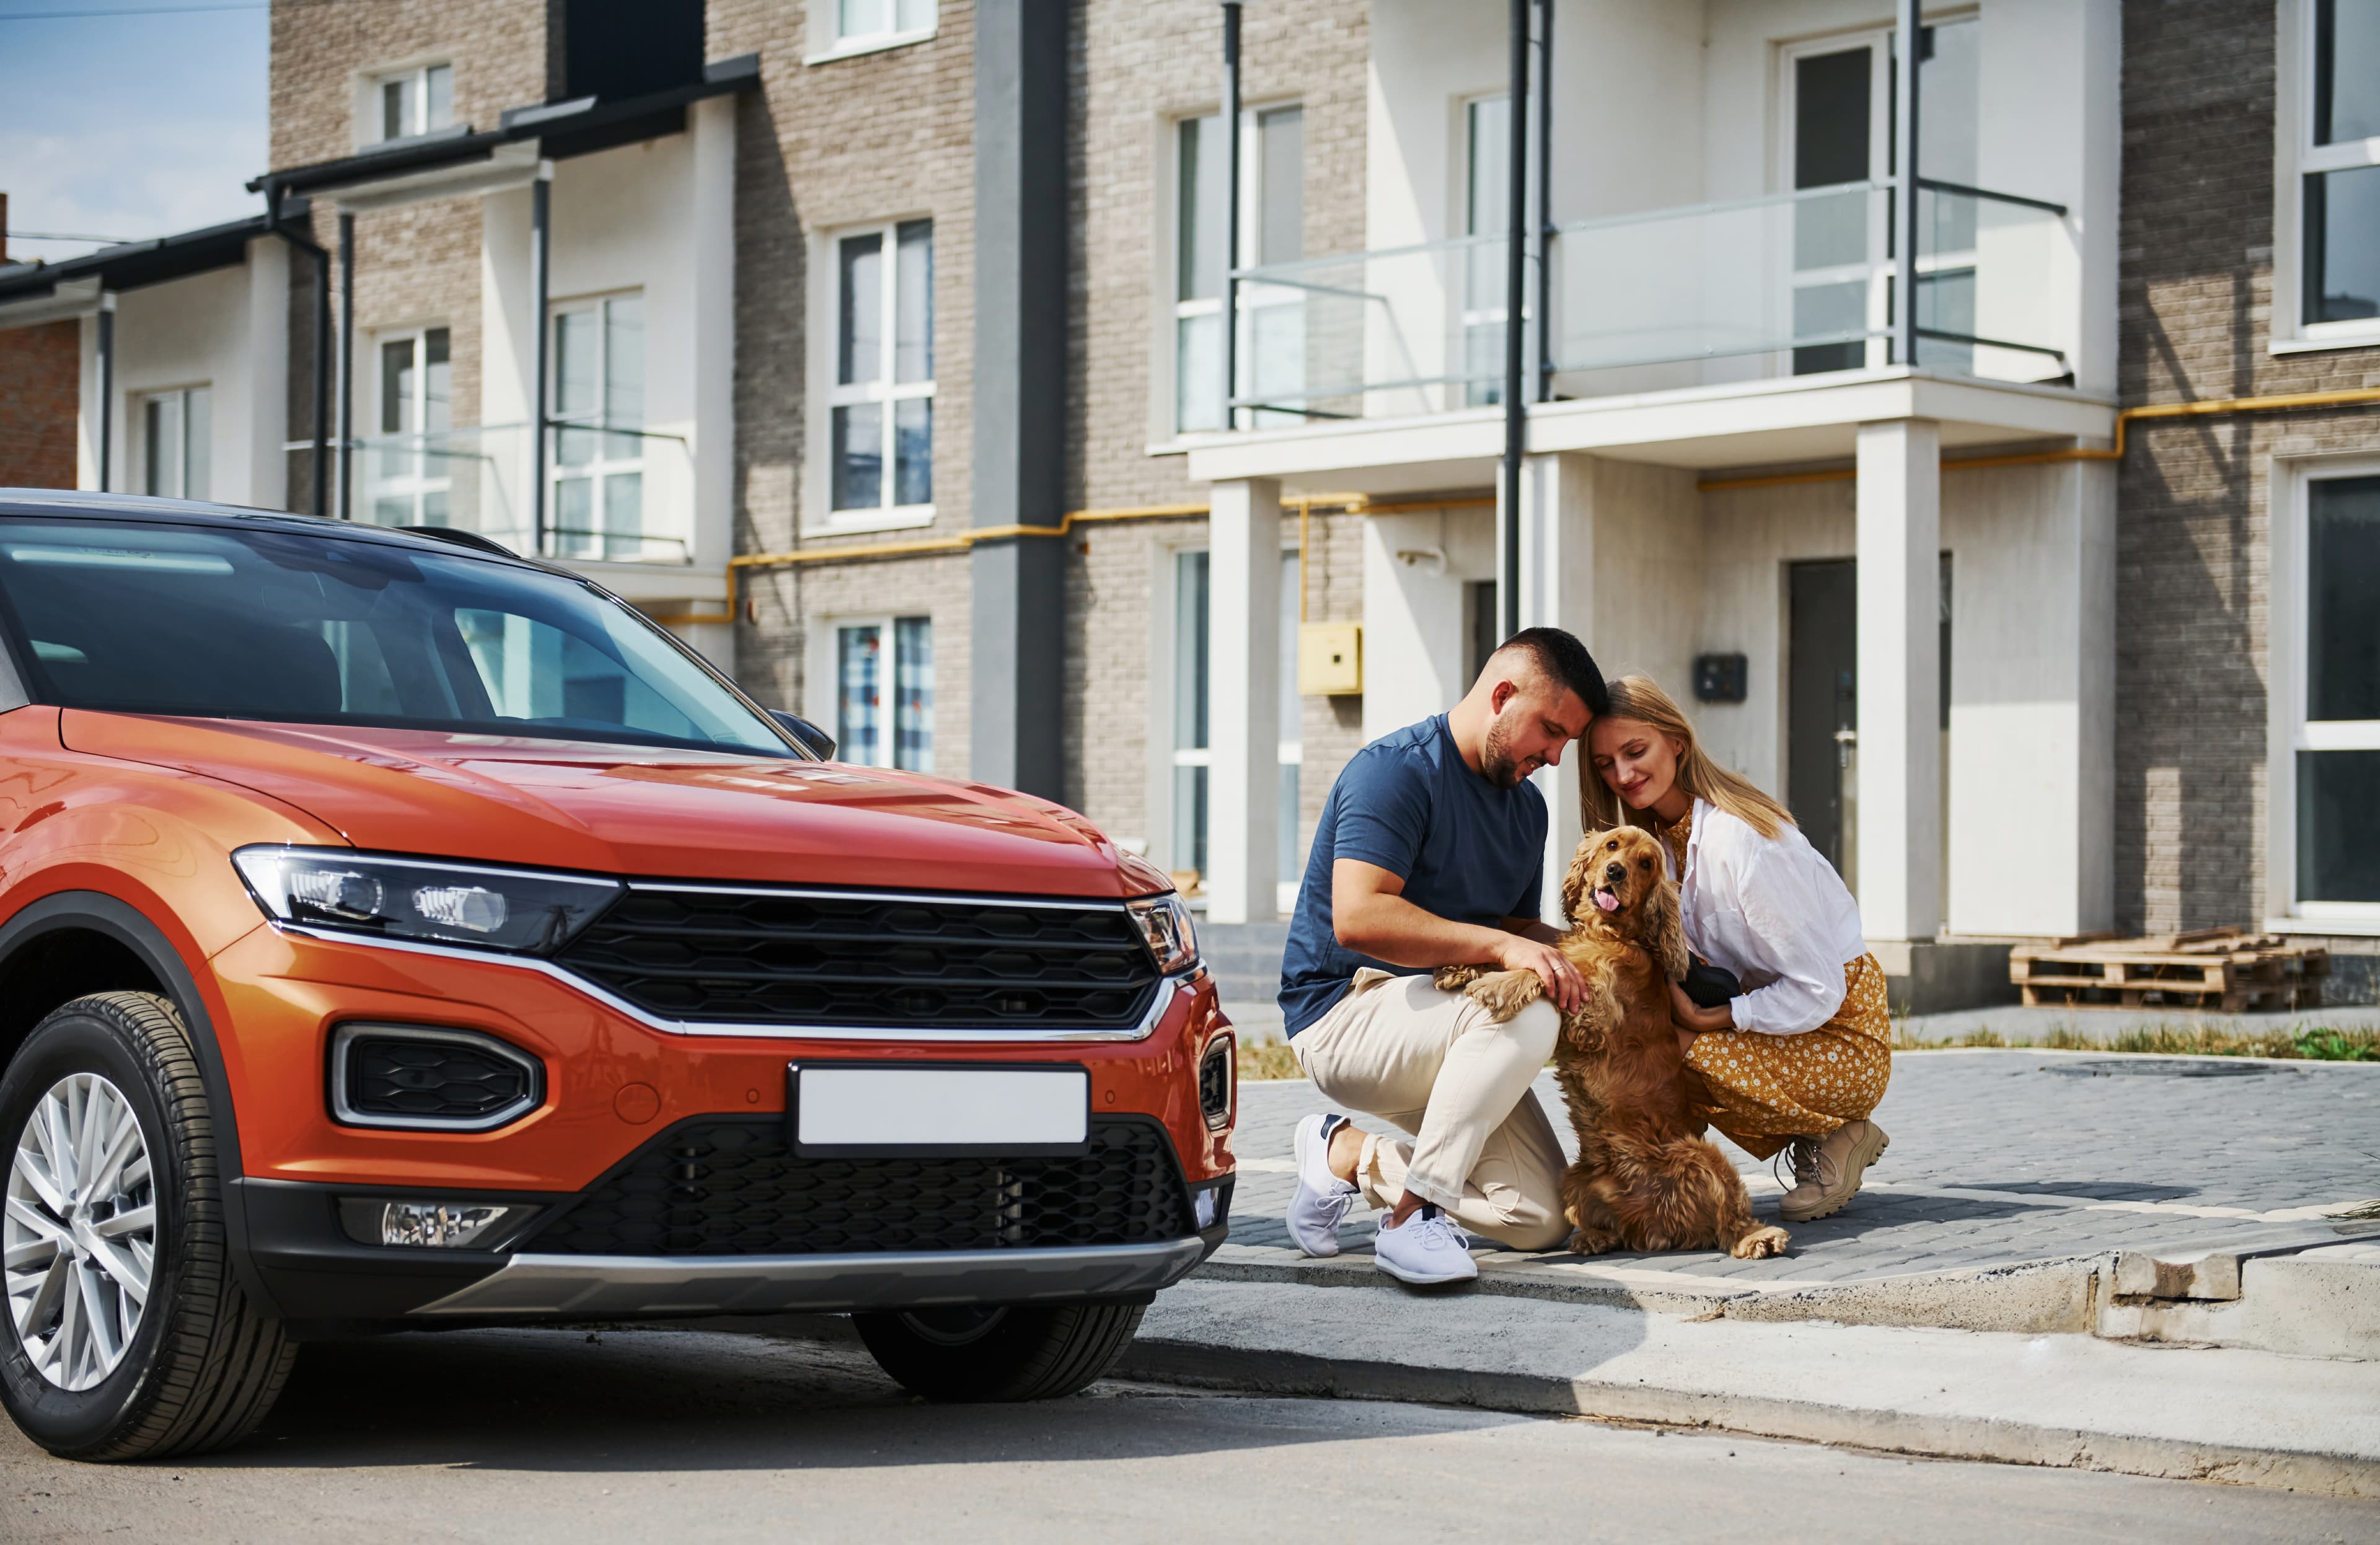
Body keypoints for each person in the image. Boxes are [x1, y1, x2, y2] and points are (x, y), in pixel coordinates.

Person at [1280, 628, 1608, 1283]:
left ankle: (1346, 1154)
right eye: (1549, 731)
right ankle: (1414, 1219)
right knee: (1529, 1007)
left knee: (1540, 1219)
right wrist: (1501, 946)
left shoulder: (1527, 812)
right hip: (1344, 1016)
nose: (1553, 755)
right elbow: (1359, 915)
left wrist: (1604, 959)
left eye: (1566, 742)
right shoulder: (1396, 771)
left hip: (1451, 1029)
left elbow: (1516, 925)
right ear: (1502, 694)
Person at [1582, 674, 1890, 1223]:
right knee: (1633, 1037)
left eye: (1636, 751)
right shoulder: (1653, 849)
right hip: (1784, 1026)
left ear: (1676, 741)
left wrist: (1710, 1016)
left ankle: (1836, 1130)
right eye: (1606, 763)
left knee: (1665, 1050)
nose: (1623, 774)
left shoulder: (1742, 840)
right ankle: (1650, 1179)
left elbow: (1821, 988)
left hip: (1842, 1035)